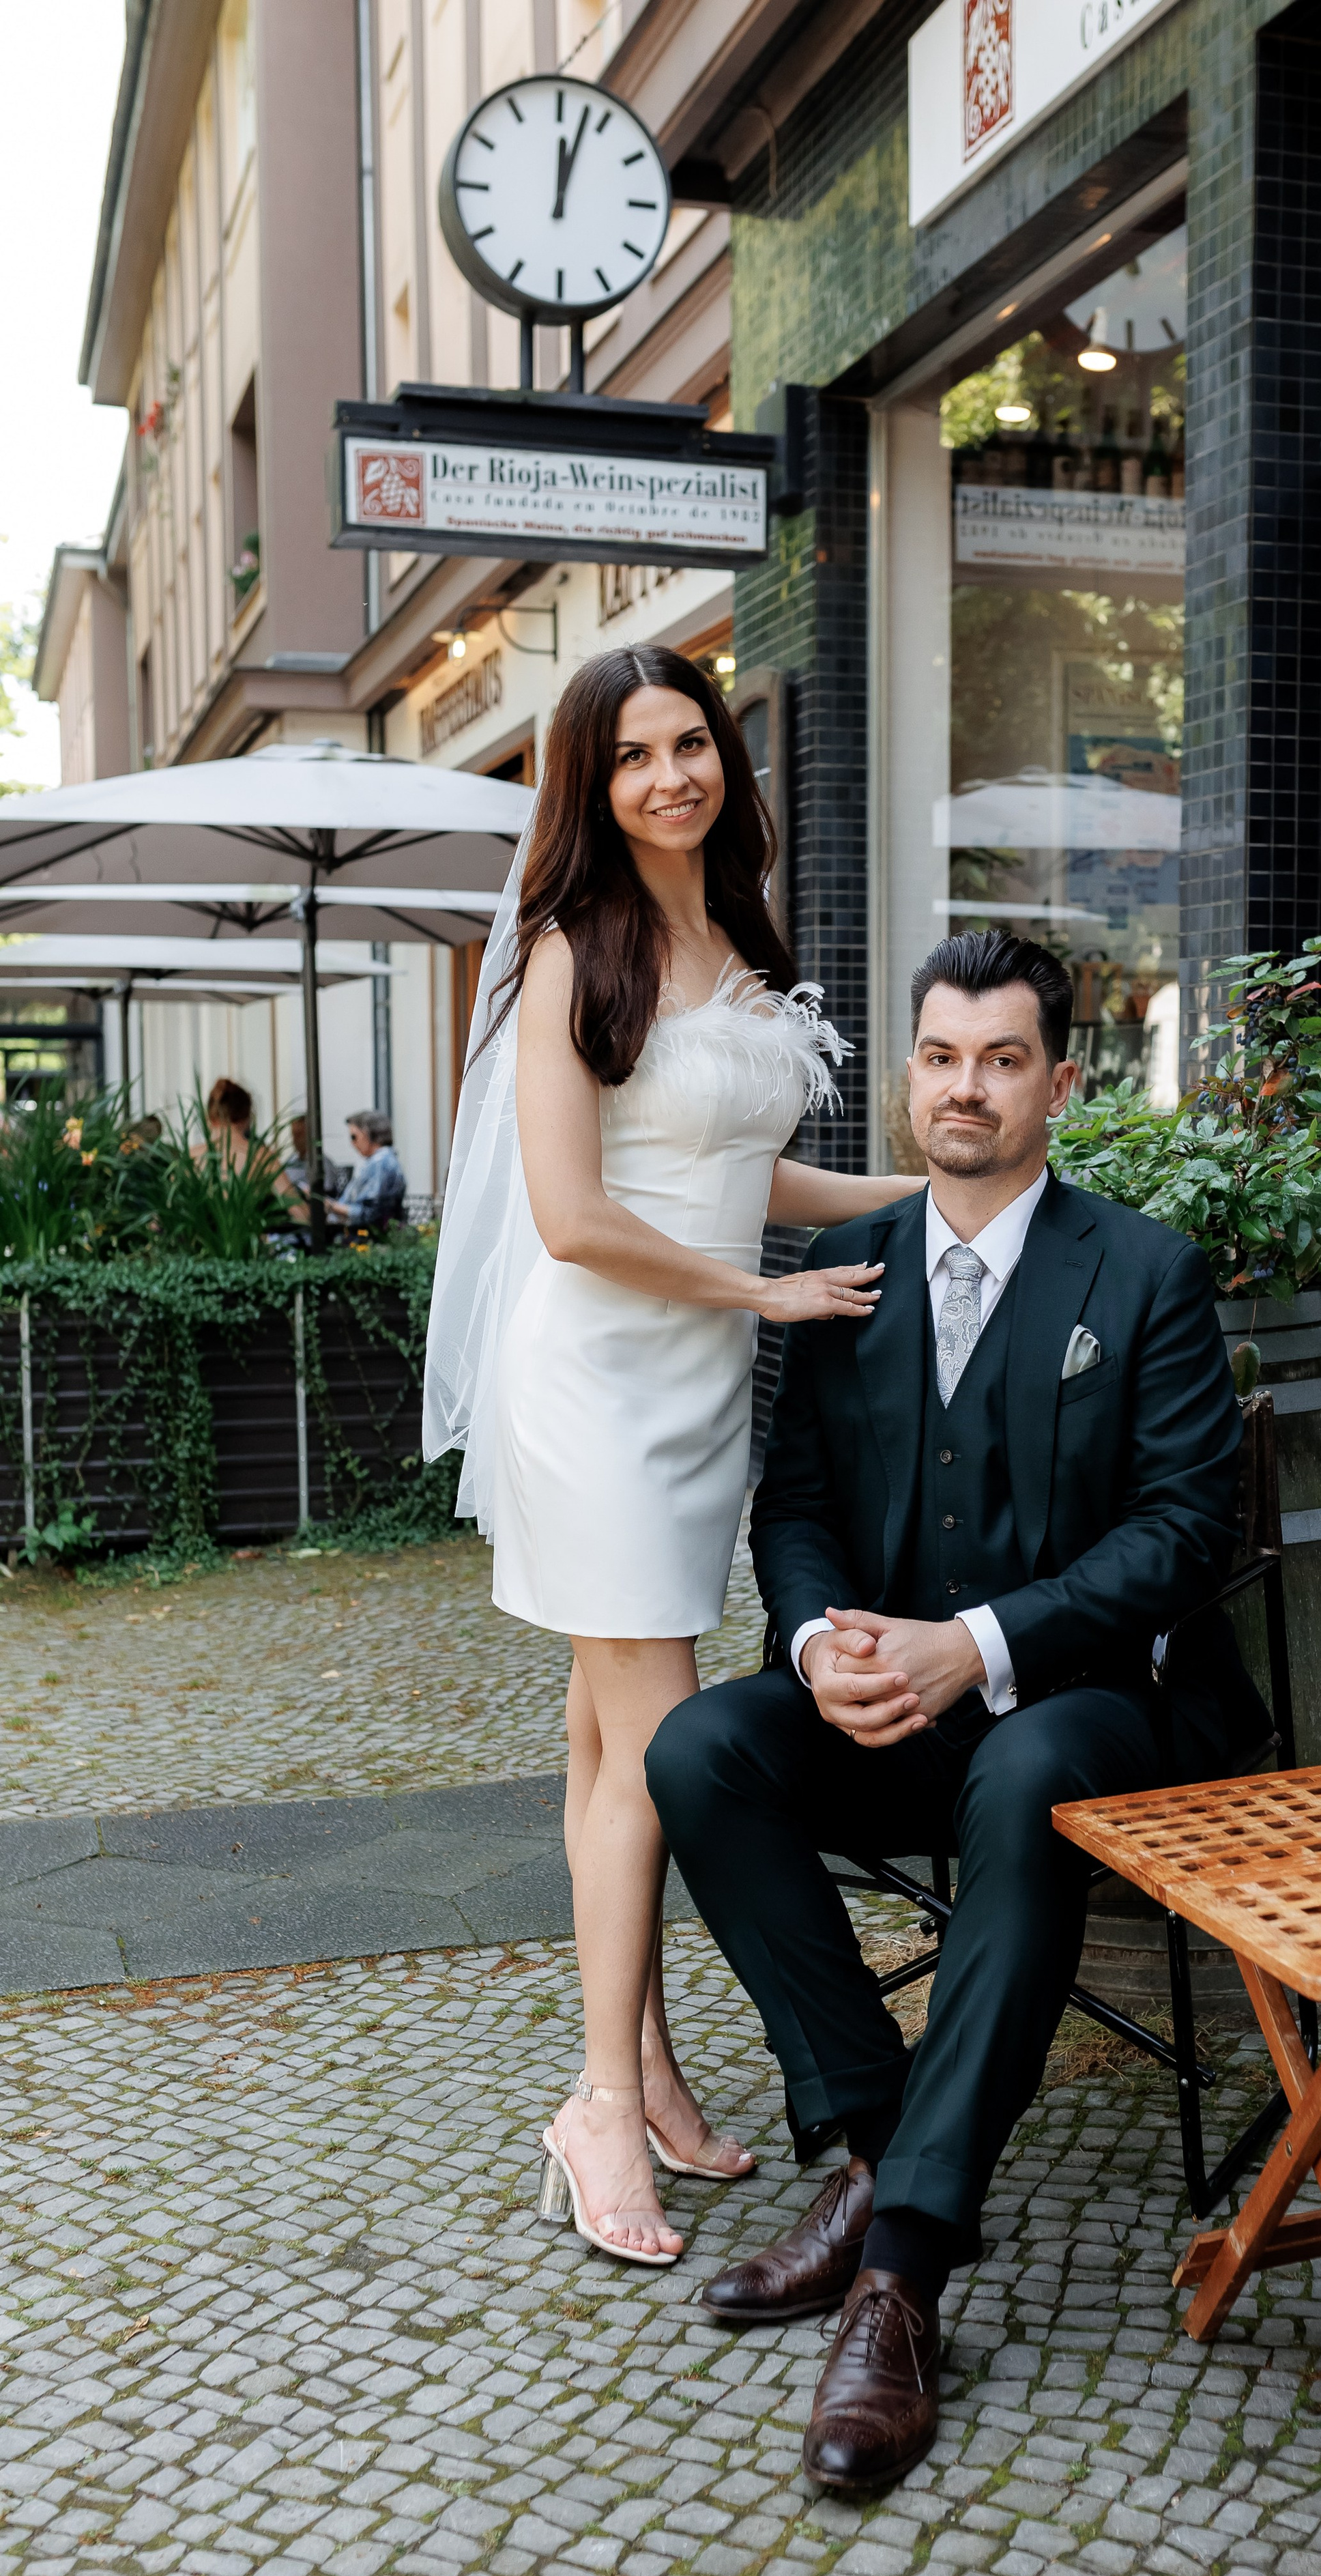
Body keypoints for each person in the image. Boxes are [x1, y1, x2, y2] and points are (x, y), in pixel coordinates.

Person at [645, 930, 1243, 2489]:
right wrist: (813, 1638)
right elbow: (795, 1507)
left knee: (1032, 1761)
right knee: (698, 1748)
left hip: (1095, 1711)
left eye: (996, 1057)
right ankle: (871, 2142)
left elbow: (1186, 1532)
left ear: (1057, 1078)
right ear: (907, 1071)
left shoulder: (1144, 1272)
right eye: (936, 1054)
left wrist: (970, 1643)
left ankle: (898, 2273)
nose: (962, 1086)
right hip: (889, 1720)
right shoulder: (844, 1285)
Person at [422, 642, 924, 2272]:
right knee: (660, 1751)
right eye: (631, 754)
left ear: (725, 754)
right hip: (592, 1390)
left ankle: (642, 2064)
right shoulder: (577, 952)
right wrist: (762, 1295)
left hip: (699, 1385)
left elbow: (744, 1167)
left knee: (599, 1751)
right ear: (590, 778)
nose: (667, 776)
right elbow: (572, 1218)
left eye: (689, 742)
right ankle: (595, 2099)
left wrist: (928, 1207)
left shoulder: (733, 931)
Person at [330, 1108, 407, 1231]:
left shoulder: (381, 1164)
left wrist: (331, 1207)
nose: (352, 1143)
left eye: (354, 1137)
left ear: (367, 1134)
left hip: (370, 1237)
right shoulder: (378, 1162)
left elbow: (371, 1213)